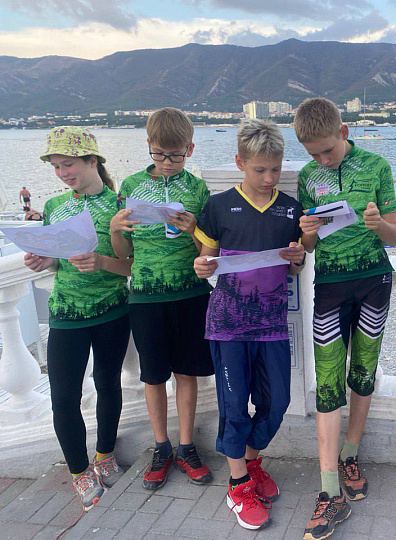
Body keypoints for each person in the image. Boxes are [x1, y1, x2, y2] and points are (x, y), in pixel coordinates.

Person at [294, 97, 396, 540]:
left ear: (343, 132)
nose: (322, 160)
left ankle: (350, 453)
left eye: (327, 151)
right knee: (328, 379)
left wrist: (378, 225)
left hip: (374, 280)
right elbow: (310, 247)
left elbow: (394, 234)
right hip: (330, 285)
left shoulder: (377, 166)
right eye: (313, 153)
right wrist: (307, 234)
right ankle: (328, 490)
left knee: (363, 371)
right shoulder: (307, 177)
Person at [193, 120, 306, 530]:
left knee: (277, 403)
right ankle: (238, 483)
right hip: (227, 324)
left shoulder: (290, 209)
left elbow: (295, 265)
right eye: (260, 170)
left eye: (275, 169)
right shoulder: (218, 206)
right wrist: (201, 265)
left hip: (272, 324)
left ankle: (251, 460)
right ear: (240, 162)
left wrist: (298, 259)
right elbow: (204, 259)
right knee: (234, 405)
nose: (269, 178)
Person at [25, 127, 131, 510]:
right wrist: (43, 260)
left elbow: (132, 266)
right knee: (63, 397)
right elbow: (57, 259)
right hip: (66, 313)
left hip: (112, 310)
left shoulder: (120, 205)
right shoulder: (54, 205)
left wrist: (101, 262)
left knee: (108, 383)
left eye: (67, 164)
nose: (62, 173)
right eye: (56, 167)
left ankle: (105, 455)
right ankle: (79, 472)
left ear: (92, 160)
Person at [110, 107, 214, 491]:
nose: (167, 162)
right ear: (148, 146)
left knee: (186, 372)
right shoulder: (131, 185)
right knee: (153, 375)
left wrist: (194, 230)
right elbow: (122, 253)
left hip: (190, 294)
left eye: (176, 155)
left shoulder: (198, 189)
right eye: (159, 154)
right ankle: (161, 447)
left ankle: (186, 447)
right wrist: (115, 228)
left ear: (190, 149)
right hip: (145, 297)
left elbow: (209, 250)